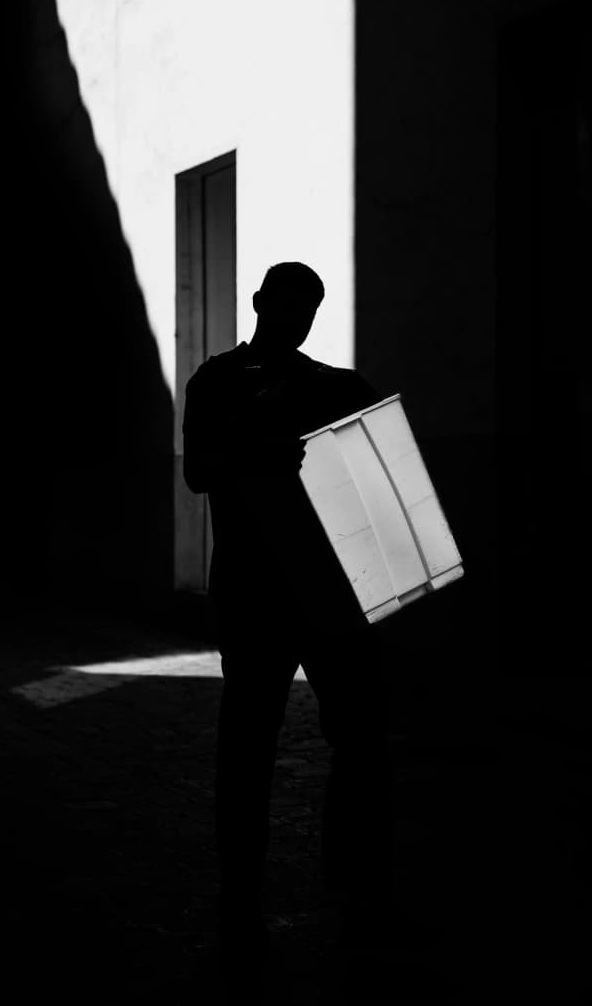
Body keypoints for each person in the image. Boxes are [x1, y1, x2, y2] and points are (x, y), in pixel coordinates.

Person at [182, 262, 394, 962]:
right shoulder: (216, 381)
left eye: (308, 310)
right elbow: (199, 471)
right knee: (249, 745)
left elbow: (378, 455)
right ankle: (241, 888)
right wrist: (262, 450)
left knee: (360, 732)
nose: (296, 320)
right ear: (260, 303)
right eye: (288, 307)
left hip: (326, 592)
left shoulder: (333, 384)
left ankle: (348, 877)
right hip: (253, 592)